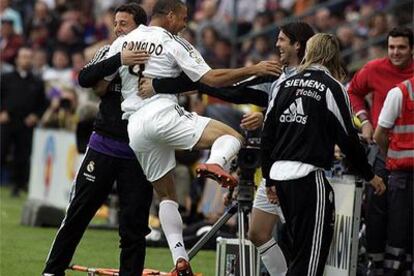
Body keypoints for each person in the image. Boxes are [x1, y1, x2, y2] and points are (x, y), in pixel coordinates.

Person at [104, 0, 281, 273]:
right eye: (184, 17)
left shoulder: (126, 41)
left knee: (166, 195)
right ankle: (216, 163)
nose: (186, 23)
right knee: (232, 136)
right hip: (162, 114)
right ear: (171, 16)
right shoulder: (175, 42)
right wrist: (253, 69)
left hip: (135, 127)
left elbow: (97, 79)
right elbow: (211, 79)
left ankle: (179, 258)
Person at [137, 22, 315, 275]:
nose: (277, 45)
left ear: (298, 44)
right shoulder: (277, 77)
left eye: (282, 40)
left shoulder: (313, 80)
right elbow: (227, 89)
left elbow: (305, 116)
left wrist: (266, 118)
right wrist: (161, 86)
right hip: (274, 168)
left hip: (302, 170)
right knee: (258, 233)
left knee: (298, 239)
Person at [261, 33, 386, 276]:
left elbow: (267, 136)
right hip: (308, 178)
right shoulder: (332, 87)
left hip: (280, 178)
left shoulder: (284, 85)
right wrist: (369, 174)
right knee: (311, 258)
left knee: (297, 251)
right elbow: (347, 138)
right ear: (332, 55)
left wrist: (268, 179)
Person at [42, 4, 153, 276]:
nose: (117, 28)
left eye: (123, 23)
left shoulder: (157, 55)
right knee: (78, 214)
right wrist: (119, 60)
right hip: (103, 144)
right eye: (116, 23)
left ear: (140, 27)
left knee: (134, 225)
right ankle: (52, 271)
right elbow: (84, 78)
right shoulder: (110, 49)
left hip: (139, 151)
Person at [347, 26, 413, 273]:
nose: (395, 52)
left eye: (402, 47)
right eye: (391, 47)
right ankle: (375, 261)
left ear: (412, 49)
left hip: (409, 154)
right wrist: (364, 120)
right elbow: (352, 91)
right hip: (381, 149)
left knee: (403, 214)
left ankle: (400, 265)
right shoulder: (374, 68)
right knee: (376, 207)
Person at [373, 77, 414, 275]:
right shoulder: (399, 93)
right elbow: (379, 135)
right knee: (398, 235)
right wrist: (393, 156)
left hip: (402, 176)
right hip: (402, 177)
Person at [0, 46, 47, 197]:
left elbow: (42, 104)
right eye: (23, 57)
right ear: (17, 60)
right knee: (1, 151)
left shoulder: (37, 81)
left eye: (29, 57)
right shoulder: (6, 78)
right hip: (7, 120)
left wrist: (35, 115)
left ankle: (17, 185)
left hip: (25, 123)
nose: (26, 60)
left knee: (22, 155)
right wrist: (2, 112)